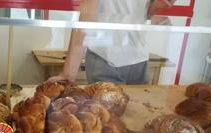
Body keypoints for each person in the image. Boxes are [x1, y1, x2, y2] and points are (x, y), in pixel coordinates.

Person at [49, 0, 177, 85]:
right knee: (106, 122)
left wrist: (156, 10)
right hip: (106, 60)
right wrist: (68, 75)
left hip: (140, 61)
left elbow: (145, 12)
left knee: (138, 118)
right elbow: (86, 21)